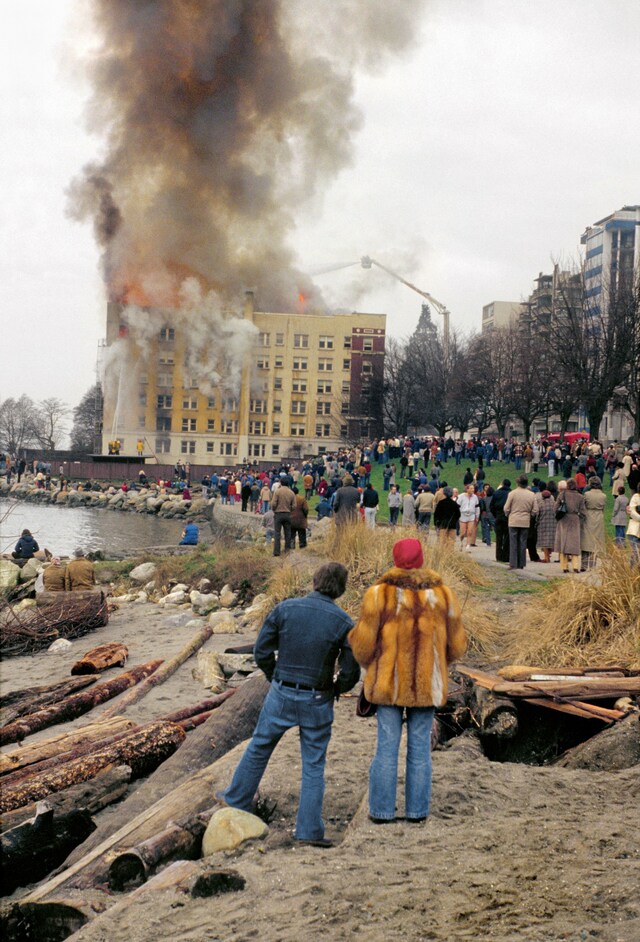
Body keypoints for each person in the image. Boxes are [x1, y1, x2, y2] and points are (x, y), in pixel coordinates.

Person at [219, 563, 359, 847]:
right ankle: (308, 831)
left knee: (259, 746)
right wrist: (336, 689)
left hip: (282, 691)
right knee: (313, 764)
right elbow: (350, 671)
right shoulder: (344, 622)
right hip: (317, 697)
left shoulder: (285, 608)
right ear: (341, 589)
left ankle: (236, 800)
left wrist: (274, 675)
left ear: (315, 581)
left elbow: (261, 650)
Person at [349, 538, 467, 824]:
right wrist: (437, 664)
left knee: (386, 749)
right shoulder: (444, 595)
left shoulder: (378, 595)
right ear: (421, 559)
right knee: (420, 750)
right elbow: (457, 646)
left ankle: (381, 811)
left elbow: (362, 646)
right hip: (427, 686)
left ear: (395, 559)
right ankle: (417, 811)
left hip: (388, 685)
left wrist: (375, 666)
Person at [503, 475, 537, 570]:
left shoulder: (512, 493)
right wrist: (530, 515)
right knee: (523, 542)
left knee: (513, 542)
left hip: (514, 519)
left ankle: (513, 563)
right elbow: (535, 509)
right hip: (525, 520)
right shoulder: (531, 495)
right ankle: (521, 563)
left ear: (518, 483)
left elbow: (506, 508)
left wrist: (508, 514)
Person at [554, 479, 585, 573]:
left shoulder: (562, 494)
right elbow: (583, 512)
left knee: (563, 543)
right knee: (574, 544)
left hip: (563, 519)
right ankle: (575, 566)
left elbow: (555, 508)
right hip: (575, 519)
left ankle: (564, 566)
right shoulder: (580, 497)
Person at [580, 477, 606, 570]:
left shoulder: (586, 494)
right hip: (599, 517)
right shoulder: (603, 495)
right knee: (595, 541)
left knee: (585, 540)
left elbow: (583, 506)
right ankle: (592, 565)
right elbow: (603, 508)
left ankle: (584, 565)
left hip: (588, 516)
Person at [270, 478, 296, 556]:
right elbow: (294, 506)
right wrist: (289, 509)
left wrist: (274, 509)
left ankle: (276, 552)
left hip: (278, 513)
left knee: (277, 533)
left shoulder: (277, 491)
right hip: (287, 514)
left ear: (281, 483)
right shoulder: (291, 493)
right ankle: (287, 550)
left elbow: (273, 503)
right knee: (288, 533)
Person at [489, 479, 512, 563]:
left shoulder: (496, 493)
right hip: (508, 517)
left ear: (502, 484)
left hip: (498, 515)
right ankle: (506, 556)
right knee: (507, 537)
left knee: (499, 537)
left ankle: (498, 556)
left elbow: (491, 506)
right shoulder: (511, 493)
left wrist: (496, 515)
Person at [536, 490, 556, 563]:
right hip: (554, 524)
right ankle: (550, 554)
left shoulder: (540, 504)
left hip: (543, 524)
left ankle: (546, 557)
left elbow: (537, 514)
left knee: (544, 541)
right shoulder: (554, 503)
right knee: (552, 540)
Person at [626, 482, 640, 564]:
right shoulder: (636, 497)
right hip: (634, 530)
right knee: (635, 554)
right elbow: (632, 512)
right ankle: (631, 570)